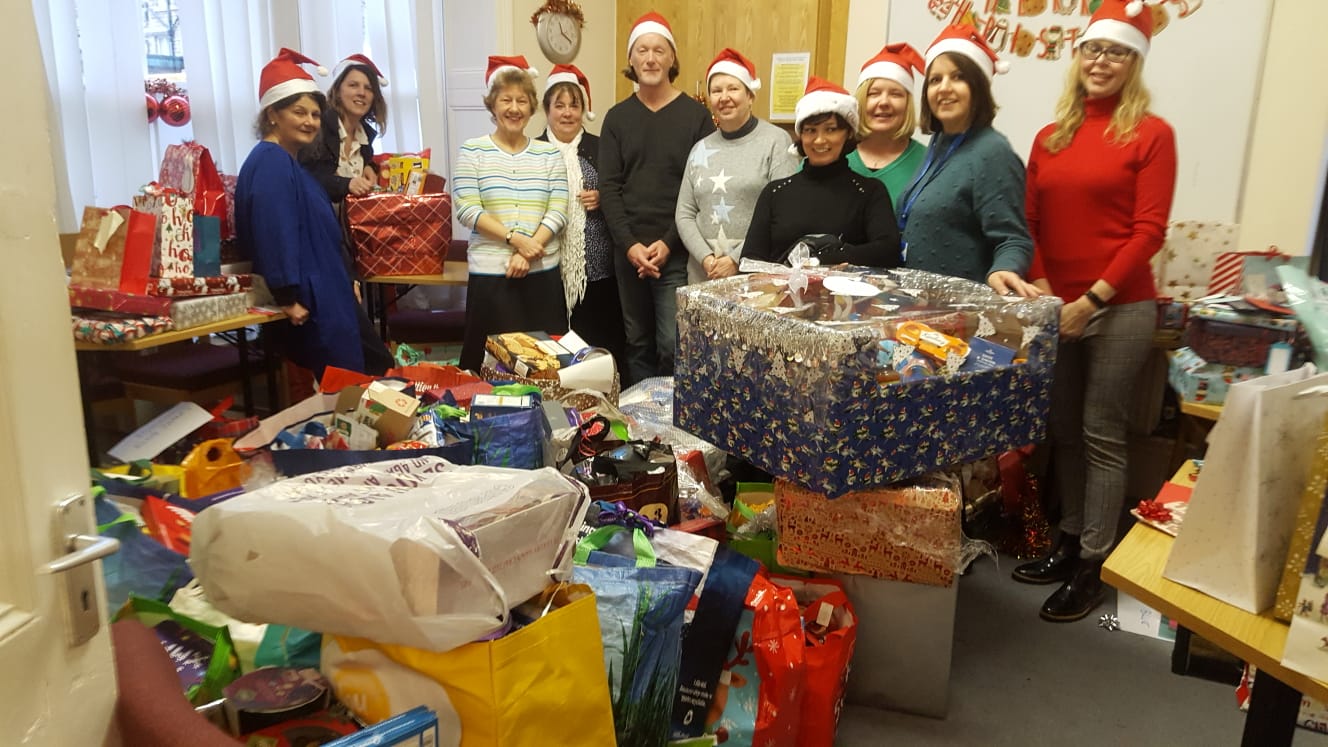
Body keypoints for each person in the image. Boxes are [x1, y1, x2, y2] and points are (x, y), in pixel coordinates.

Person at [1013, 0, 1177, 623]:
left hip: (1121, 306)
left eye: (1116, 52)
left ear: (1134, 63)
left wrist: (1092, 300)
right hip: (1058, 305)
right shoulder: (1049, 137)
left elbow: (1148, 231)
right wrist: (1049, 289)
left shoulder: (1151, 134)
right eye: (1093, 49)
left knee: (1102, 433)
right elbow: (1029, 223)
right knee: (1063, 432)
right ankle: (1068, 540)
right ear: (1078, 57)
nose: (1101, 61)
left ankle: (1093, 564)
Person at [235, 48, 392, 380]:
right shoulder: (271, 164)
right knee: (350, 381)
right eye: (298, 112)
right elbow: (275, 233)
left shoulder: (289, 163)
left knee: (367, 370)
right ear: (272, 115)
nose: (309, 121)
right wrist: (287, 297)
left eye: (315, 114)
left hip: (326, 289)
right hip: (311, 298)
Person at [598, 11, 715, 385]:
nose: (650, 58)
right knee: (637, 343)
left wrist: (667, 243)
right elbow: (610, 188)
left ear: (671, 59)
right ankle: (641, 425)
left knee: (672, 343)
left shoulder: (697, 117)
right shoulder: (616, 119)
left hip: (676, 252)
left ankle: (673, 424)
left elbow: (699, 189)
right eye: (642, 50)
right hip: (628, 252)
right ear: (631, 60)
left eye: (659, 50)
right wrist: (631, 245)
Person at [895, 24, 1040, 297]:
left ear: (978, 87)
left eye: (958, 77)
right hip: (920, 306)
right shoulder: (939, 144)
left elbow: (1013, 239)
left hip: (961, 313)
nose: (944, 88)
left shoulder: (992, 151)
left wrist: (1004, 268)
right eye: (935, 80)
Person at [453, 56, 569, 372]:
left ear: (532, 107)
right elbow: (467, 208)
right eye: (506, 100)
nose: (514, 108)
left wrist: (530, 252)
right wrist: (517, 240)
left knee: (545, 364)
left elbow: (559, 209)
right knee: (486, 364)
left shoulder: (548, 153)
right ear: (493, 106)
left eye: (522, 100)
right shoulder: (472, 150)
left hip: (541, 272)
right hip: (492, 273)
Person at [740, 77, 901, 269]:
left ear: (848, 133)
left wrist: (823, 259)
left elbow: (888, 251)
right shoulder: (775, 193)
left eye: (831, 129)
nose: (819, 140)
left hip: (850, 298)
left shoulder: (869, 192)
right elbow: (750, 261)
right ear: (800, 135)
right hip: (780, 297)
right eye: (810, 130)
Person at [676, 48, 798, 285]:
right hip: (703, 275)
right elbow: (684, 213)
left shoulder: (775, 141)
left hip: (753, 276)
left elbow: (783, 215)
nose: (724, 97)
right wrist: (706, 258)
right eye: (716, 90)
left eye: (733, 88)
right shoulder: (700, 149)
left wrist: (735, 259)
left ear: (750, 95)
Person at [535, 64, 626, 369]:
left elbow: (623, 191)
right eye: (559, 105)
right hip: (548, 268)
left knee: (599, 348)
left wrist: (604, 197)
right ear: (547, 109)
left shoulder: (602, 148)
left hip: (598, 271)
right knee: (553, 350)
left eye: (574, 105)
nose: (567, 113)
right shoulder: (534, 150)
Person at [300, 53, 388, 203]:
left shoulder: (365, 134)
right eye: (353, 85)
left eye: (369, 88)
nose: (361, 93)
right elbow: (305, 177)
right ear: (337, 90)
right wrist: (347, 184)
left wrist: (370, 167)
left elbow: (362, 161)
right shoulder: (320, 127)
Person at [849, 43, 928, 203]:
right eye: (874, 93)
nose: (884, 102)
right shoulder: (831, 155)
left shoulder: (927, 164)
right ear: (861, 101)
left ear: (907, 105)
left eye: (896, 94)